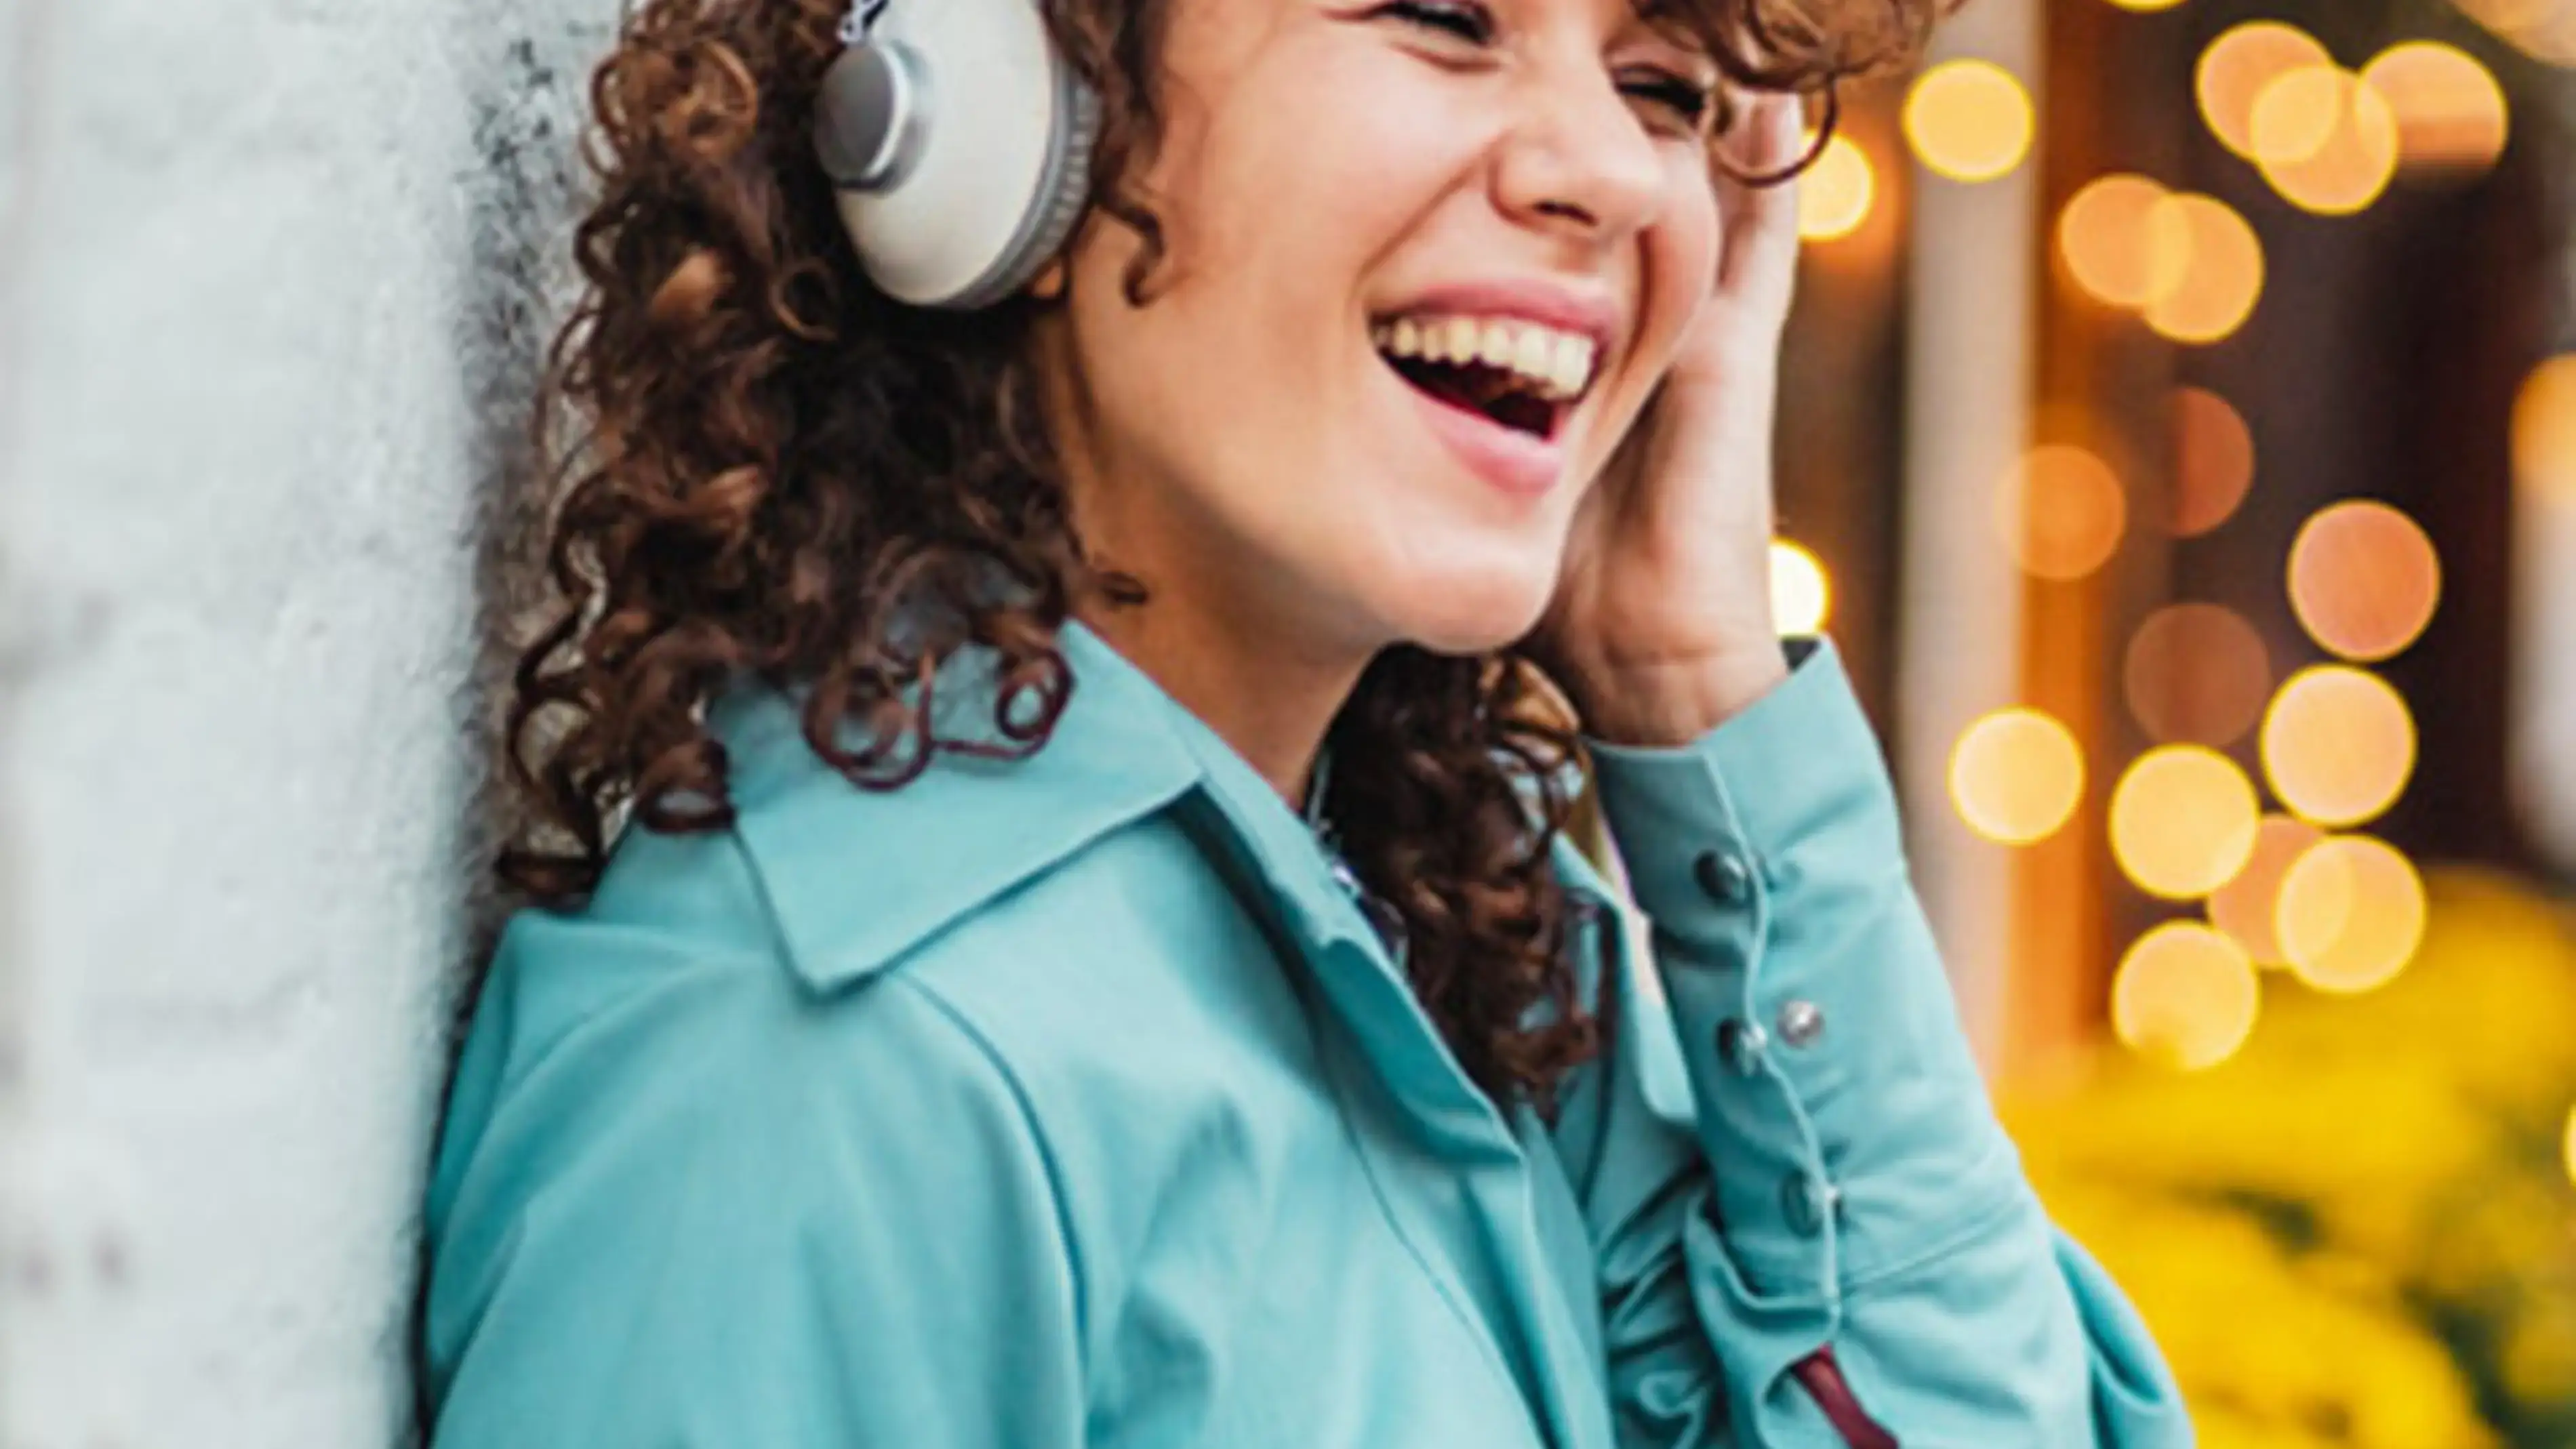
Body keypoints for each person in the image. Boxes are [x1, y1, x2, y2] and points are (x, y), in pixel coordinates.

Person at [419, 0, 2194, 1443]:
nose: (1602, 169)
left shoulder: (1449, 948)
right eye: (1438, 17)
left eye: (1659, 80)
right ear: (1019, 103)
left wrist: (1695, 681)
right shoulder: (818, 1081)